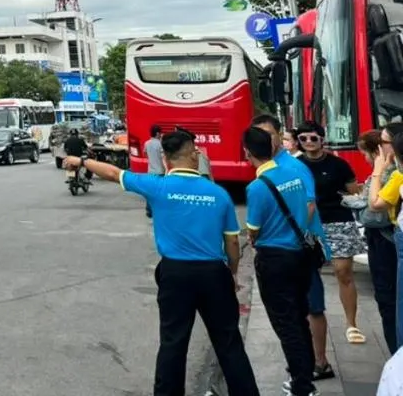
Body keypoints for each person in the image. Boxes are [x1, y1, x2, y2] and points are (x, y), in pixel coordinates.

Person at [63, 129, 259, 396]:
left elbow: (112, 173)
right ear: (195, 156)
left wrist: (81, 162)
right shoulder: (218, 194)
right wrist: (232, 273)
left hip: (175, 275)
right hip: (214, 274)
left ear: (165, 159)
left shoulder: (157, 186)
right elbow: (232, 243)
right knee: (228, 342)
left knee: (173, 342)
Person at [251, 113, 335, 382]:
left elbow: (309, 206)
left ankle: (318, 363)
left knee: (310, 306)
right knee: (298, 310)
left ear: (278, 135)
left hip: (300, 249)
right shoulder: (270, 168)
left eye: (269, 134)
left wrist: (288, 236)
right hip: (291, 249)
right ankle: (304, 363)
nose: (265, 140)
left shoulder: (294, 167)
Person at [243, 125, 320, 396]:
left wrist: (252, 234)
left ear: (247, 153)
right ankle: (304, 376)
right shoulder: (294, 173)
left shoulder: (257, 187)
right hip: (300, 254)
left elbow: (253, 229)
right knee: (299, 317)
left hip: (274, 260)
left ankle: (302, 385)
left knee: (286, 324)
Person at [296, 121, 366, 358]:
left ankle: (351, 323)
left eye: (313, 138)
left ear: (322, 140)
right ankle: (312, 320)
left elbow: (353, 189)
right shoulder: (296, 165)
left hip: (338, 219)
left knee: (343, 271)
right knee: (308, 276)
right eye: (302, 138)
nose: (308, 143)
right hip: (309, 223)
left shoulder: (338, 164)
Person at [359, 128, 398, 352]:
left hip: (386, 242)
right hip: (387, 240)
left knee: (388, 300)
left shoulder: (389, 174)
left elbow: (372, 213)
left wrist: (376, 173)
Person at [144, 124, 164, 220]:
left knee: (150, 191)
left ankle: (149, 210)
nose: (161, 135)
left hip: (150, 171)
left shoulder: (147, 143)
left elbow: (145, 153)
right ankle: (158, 210)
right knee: (159, 192)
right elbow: (163, 157)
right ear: (157, 133)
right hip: (160, 171)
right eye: (160, 133)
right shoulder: (160, 144)